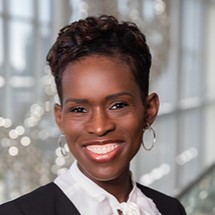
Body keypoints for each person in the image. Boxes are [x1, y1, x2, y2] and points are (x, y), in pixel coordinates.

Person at [0, 15, 186, 215]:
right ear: (60, 118)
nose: (99, 127)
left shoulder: (169, 209)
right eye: (79, 110)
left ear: (149, 110)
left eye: (118, 105)